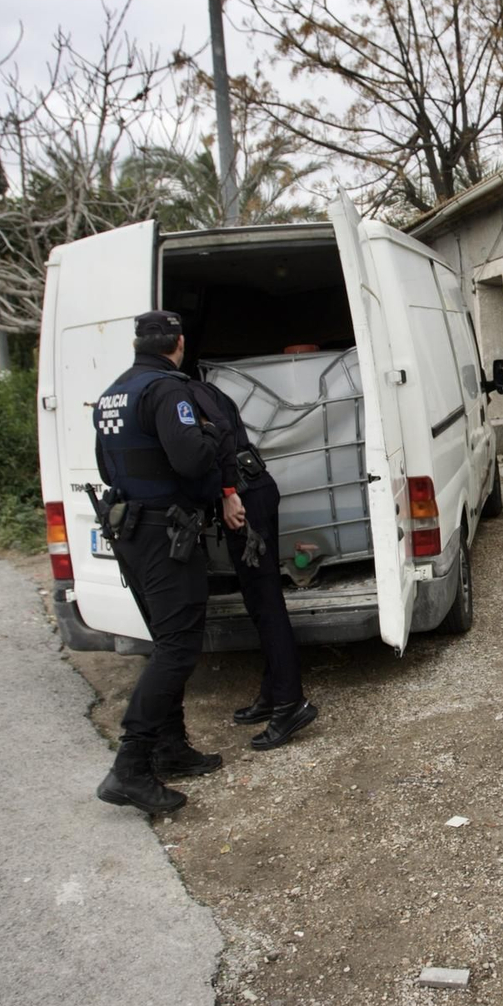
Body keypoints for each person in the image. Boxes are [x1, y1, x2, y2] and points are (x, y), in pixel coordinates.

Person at [91, 310, 230, 814]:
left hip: (131, 528)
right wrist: (214, 434)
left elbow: (109, 465)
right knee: (178, 645)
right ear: (179, 343)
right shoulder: (167, 390)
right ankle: (129, 767)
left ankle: (171, 748)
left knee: (165, 638)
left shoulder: (114, 392)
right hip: (164, 531)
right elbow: (191, 460)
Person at [185, 375, 315, 750]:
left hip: (246, 497)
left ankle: (291, 703)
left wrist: (226, 492)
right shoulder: (197, 389)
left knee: (267, 603)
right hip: (251, 490)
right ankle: (274, 693)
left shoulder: (187, 394)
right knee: (260, 604)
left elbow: (221, 432)